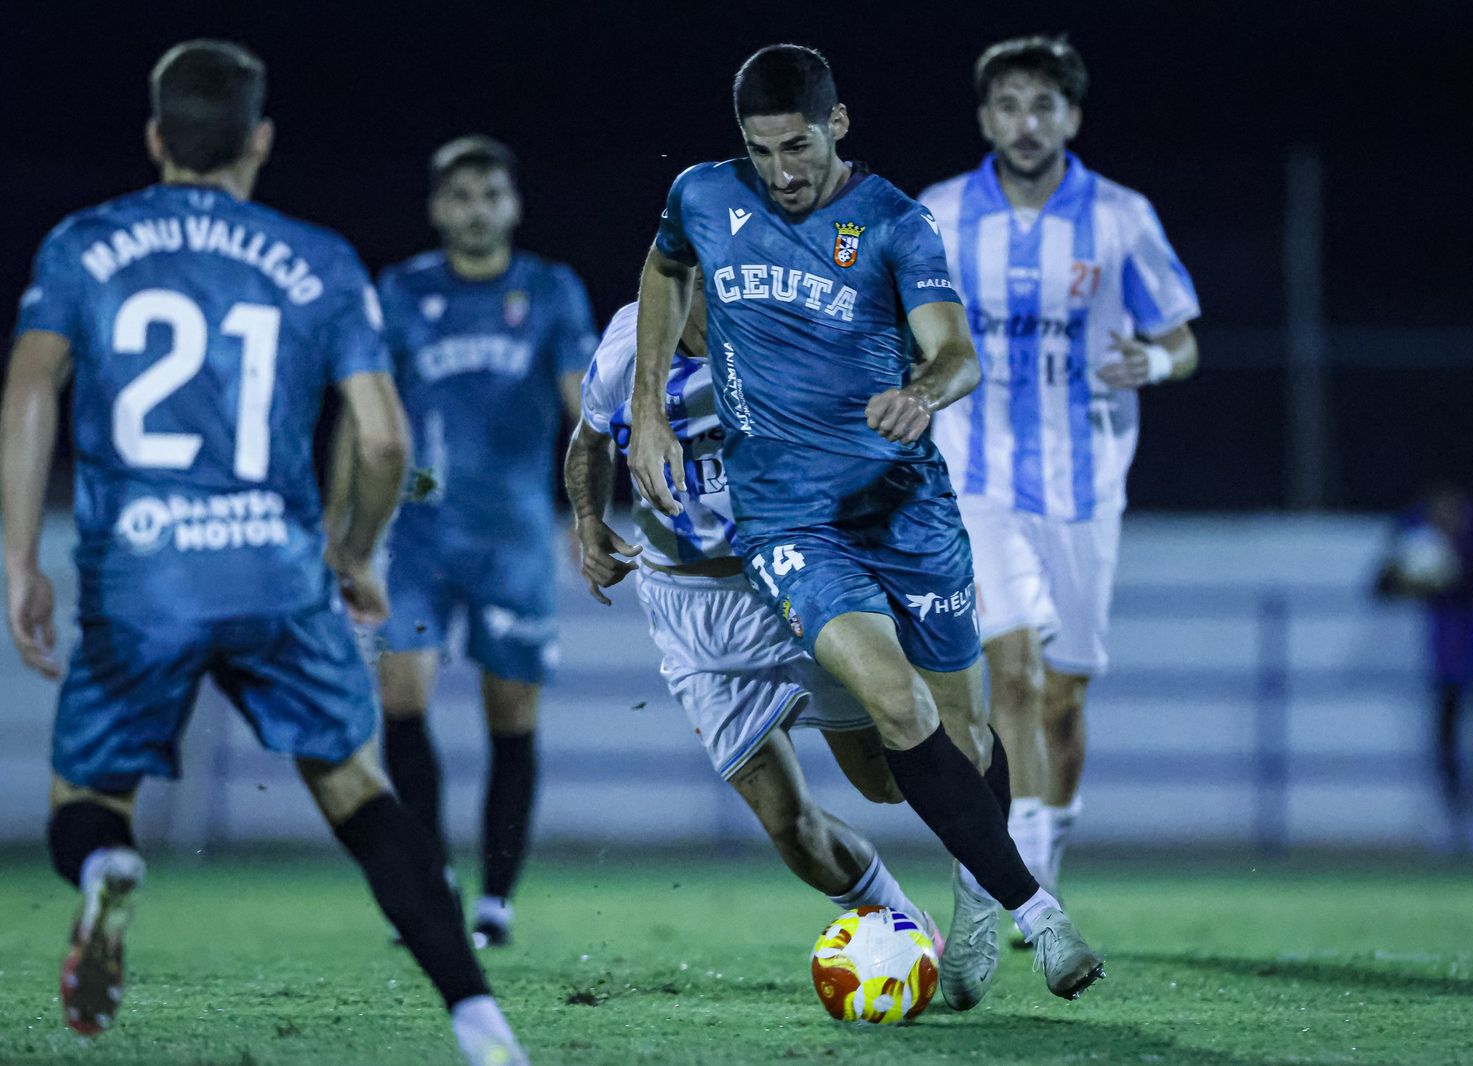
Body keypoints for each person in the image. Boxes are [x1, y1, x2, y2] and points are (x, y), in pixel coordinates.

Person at [1, 41, 527, 1065]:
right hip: (277, 569)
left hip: (140, 574)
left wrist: (20, 558)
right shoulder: (319, 259)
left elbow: (29, 390)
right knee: (358, 791)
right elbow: (381, 438)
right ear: (261, 140)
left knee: (88, 801)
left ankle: (111, 861)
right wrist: (356, 551)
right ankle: (480, 1021)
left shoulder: (82, 245)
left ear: (156, 137)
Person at [625, 43, 1102, 1010]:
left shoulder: (893, 224)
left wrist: (923, 394)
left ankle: (975, 901)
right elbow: (664, 269)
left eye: (797, 147)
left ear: (837, 125)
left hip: (905, 509)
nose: (783, 172)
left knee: (965, 734)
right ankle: (1038, 915)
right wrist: (644, 407)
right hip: (791, 521)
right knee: (896, 706)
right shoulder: (704, 196)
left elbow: (956, 352)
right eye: (762, 153)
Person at [566, 290, 941, 945]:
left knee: (886, 782)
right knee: (789, 828)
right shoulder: (627, 345)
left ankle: (1002, 833)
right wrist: (590, 522)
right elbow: (587, 442)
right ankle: (907, 926)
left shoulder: (788, 333)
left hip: (792, 584)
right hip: (691, 617)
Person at [919, 34, 1200, 903]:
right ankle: (1021, 882)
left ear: (1072, 116)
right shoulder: (939, 213)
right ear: (984, 117)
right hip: (978, 478)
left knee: (1064, 697)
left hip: (1085, 487)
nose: (1026, 122)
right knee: (1009, 671)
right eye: (1008, 105)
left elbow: (1181, 341)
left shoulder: (1120, 217)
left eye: (1043, 105)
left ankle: (1047, 842)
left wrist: (1150, 366)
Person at [327, 136, 595, 948]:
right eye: (460, 196)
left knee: (509, 718)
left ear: (511, 205)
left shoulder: (550, 290)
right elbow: (359, 413)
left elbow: (586, 409)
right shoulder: (401, 291)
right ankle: (434, 880)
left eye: (489, 195)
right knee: (400, 699)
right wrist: (339, 528)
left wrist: (598, 507)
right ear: (438, 207)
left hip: (512, 542)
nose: (475, 210)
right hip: (418, 538)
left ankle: (497, 901)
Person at [1374, 485, 1473, 854]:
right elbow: (1382, 587)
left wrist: (1438, 576)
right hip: (1448, 650)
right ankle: (1452, 816)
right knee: (1447, 734)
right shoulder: (1414, 529)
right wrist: (1407, 576)